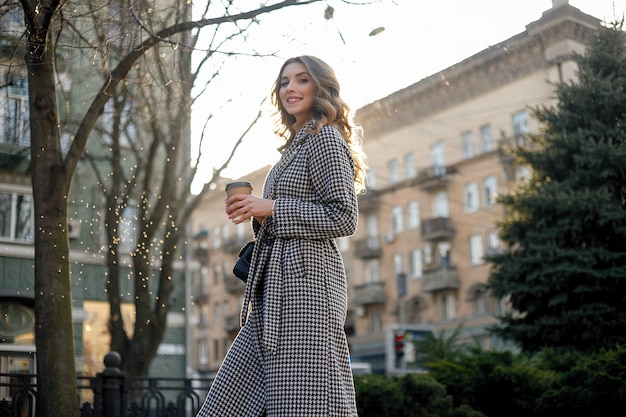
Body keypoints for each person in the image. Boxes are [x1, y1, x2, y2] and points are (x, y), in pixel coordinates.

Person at [196, 55, 367, 417]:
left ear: (321, 87)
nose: (290, 88)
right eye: (285, 81)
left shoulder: (325, 138)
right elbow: (290, 212)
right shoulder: (294, 147)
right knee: (230, 403)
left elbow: (343, 216)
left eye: (301, 80)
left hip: (307, 293)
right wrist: (257, 213)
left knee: (304, 402)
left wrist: (271, 208)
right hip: (274, 293)